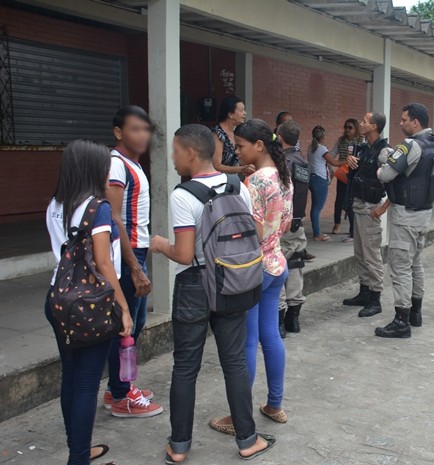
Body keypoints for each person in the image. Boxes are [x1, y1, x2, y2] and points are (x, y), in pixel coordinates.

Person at [150, 124, 275, 463]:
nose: (173, 159)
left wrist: (161, 244)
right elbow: (256, 231)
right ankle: (248, 440)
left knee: (185, 366)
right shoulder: (239, 186)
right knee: (234, 362)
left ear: (191, 153)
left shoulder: (183, 195)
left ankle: (179, 447)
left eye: (175, 152)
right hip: (233, 282)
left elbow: (185, 253)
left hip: (195, 286)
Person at [46, 139, 133, 465]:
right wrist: (123, 308)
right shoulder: (98, 207)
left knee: (71, 376)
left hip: (58, 298)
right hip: (89, 304)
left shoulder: (56, 202)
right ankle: (79, 458)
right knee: (86, 385)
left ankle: (78, 449)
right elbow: (104, 263)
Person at [209, 119, 293, 434]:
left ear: (259, 146)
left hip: (253, 269)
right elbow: (282, 226)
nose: (237, 152)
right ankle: (275, 404)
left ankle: (239, 415)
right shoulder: (283, 177)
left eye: (240, 146)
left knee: (246, 342)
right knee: (270, 335)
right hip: (276, 263)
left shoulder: (255, 181)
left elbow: (253, 231)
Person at [104, 105, 162, 418]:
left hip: (137, 251)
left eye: (146, 129)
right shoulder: (116, 165)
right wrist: (135, 267)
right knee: (126, 326)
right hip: (127, 256)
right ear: (118, 132)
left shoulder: (132, 164)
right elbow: (114, 219)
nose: (143, 135)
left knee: (135, 323)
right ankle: (122, 395)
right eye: (135, 129)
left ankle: (117, 387)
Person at [375, 103, 434, 338]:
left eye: (404, 119)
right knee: (416, 263)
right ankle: (416, 312)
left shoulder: (410, 145)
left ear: (415, 122)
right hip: (424, 213)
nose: (401, 123)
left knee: (400, 268)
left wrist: (383, 163)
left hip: (406, 215)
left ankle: (401, 321)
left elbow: (386, 174)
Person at [342, 112, 391, 318]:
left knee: (372, 255)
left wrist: (382, 208)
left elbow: (394, 184)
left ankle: (375, 298)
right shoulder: (363, 148)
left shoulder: (385, 152)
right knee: (360, 254)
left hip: (370, 209)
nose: (361, 124)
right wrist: (350, 159)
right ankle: (364, 291)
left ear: (374, 127)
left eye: (364, 122)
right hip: (358, 206)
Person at [276, 120, 310, 336]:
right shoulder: (302, 162)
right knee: (295, 266)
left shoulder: (283, 163)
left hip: (280, 224)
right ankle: (294, 319)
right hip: (297, 223)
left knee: (277, 267)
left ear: (279, 138)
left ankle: (279, 321)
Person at [307, 126, 346, 241]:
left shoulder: (311, 147)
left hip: (312, 179)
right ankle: (317, 234)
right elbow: (334, 162)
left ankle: (316, 232)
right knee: (317, 209)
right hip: (320, 180)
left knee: (314, 207)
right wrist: (348, 160)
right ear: (323, 136)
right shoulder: (322, 149)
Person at [331, 119, 361, 241]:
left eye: (350, 127)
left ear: (356, 128)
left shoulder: (361, 141)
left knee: (351, 201)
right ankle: (337, 223)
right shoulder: (341, 140)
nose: (347, 130)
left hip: (355, 175)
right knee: (339, 199)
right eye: (346, 127)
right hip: (343, 173)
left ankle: (352, 230)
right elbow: (332, 154)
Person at [212, 96, 255, 177]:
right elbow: (216, 165)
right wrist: (242, 169)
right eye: (241, 110)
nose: (245, 113)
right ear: (231, 114)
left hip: (235, 180)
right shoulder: (218, 134)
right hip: (221, 182)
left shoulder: (237, 132)